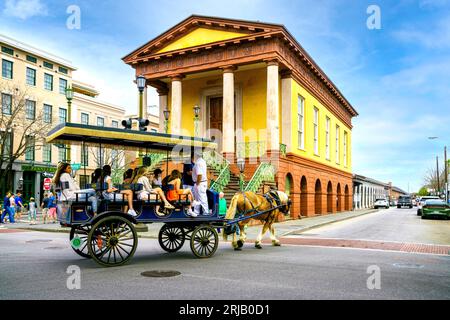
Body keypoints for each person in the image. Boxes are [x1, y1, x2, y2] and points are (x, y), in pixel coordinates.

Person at [192, 149, 209, 216]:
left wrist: (197, 183)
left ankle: (205, 213)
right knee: (198, 198)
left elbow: (199, 174)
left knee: (201, 198)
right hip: (201, 182)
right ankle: (197, 212)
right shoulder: (202, 161)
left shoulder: (199, 163)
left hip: (200, 183)